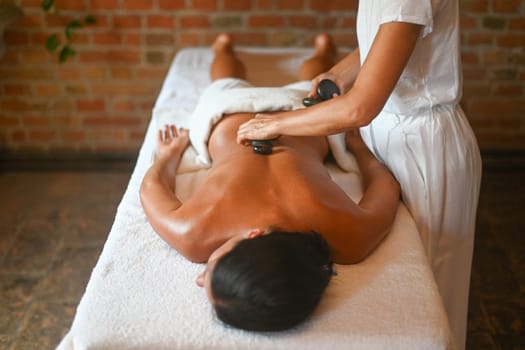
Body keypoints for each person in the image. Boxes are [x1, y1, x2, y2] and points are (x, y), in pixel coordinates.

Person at [236, 1, 482, 348]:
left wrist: (275, 123)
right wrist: (340, 74)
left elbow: (360, 106)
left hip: (424, 147)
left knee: (432, 293)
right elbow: (388, 40)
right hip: (390, 134)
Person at [140, 34, 400, 332]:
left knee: (315, 82)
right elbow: (152, 188)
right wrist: (169, 156)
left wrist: (361, 153)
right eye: (210, 270)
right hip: (231, 112)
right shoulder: (193, 232)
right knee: (225, 80)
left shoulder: (352, 238)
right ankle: (225, 47)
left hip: (307, 115)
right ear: (253, 235)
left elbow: (384, 187)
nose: (199, 278)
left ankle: (320, 50)